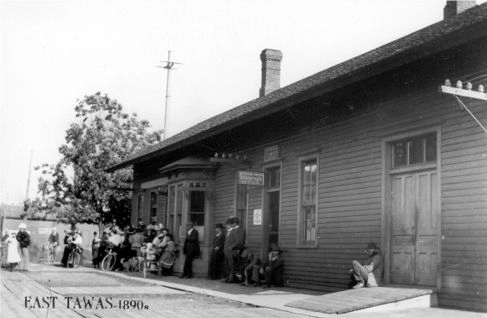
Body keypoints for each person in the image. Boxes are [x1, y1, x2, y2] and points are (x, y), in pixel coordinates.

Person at [223, 217, 245, 283]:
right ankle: (228, 278)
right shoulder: (231, 230)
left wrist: (231, 247)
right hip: (227, 251)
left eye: (231, 224)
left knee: (231, 265)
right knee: (227, 265)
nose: (230, 225)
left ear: (234, 224)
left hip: (233, 251)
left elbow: (239, 241)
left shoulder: (239, 230)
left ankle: (231, 279)